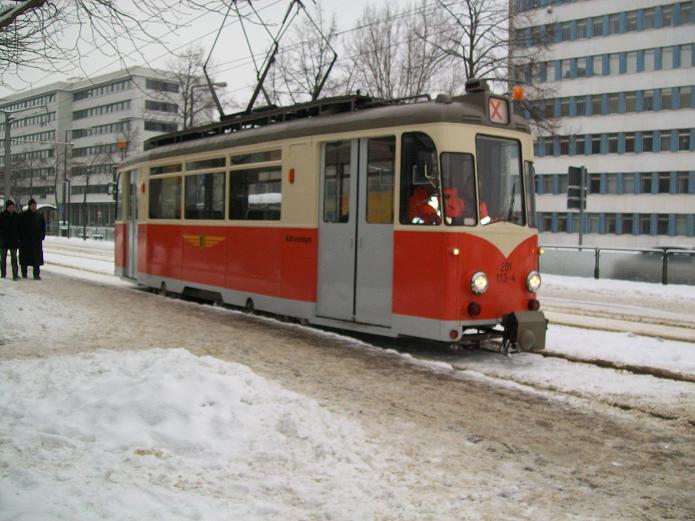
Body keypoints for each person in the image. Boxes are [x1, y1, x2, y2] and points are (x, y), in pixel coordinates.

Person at [18, 198, 46, 280]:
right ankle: (24, 273)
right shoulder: (23, 215)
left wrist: (42, 236)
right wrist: (21, 237)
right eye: (32, 206)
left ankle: (36, 274)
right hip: (25, 241)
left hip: (36, 241)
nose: (34, 207)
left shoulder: (39, 216)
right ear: (29, 206)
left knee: (36, 259)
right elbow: (19, 227)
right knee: (24, 258)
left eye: (35, 205)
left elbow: (43, 227)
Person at [0, 199, 20, 280]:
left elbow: (19, 228)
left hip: (13, 240)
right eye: (10, 207)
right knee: (3, 258)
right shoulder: (1, 216)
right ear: (7, 207)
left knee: (14, 258)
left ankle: (15, 274)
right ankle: (3, 273)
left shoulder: (16, 216)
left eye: (13, 207)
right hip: (4, 240)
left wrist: (19, 237)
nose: (12, 208)